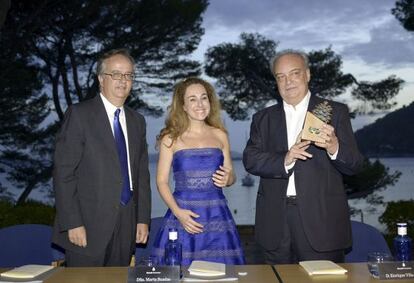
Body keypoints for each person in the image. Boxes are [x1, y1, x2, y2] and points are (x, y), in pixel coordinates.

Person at [243, 49, 364, 264]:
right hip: (274, 223)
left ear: (307, 75)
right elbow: (250, 159)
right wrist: (285, 158)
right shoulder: (263, 118)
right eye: (281, 77)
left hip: (322, 223)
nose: (288, 82)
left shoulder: (334, 112)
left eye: (294, 74)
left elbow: (354, 164)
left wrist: (334, 147)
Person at [52, 48, 151, 267]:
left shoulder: (138, 121)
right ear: (100, 79)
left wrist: (142, 219)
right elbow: (63, 173)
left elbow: (141, 176)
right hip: (86, 227)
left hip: (126, 225)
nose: (122, 80)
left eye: (128, 75)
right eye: (115, 74)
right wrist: (72, 223)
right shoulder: (79, 115)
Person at [151, 77, 245, 265]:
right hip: (183, 216)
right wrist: (178, 213)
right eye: (192, 99)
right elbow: (161, 181)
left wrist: (228, 178)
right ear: (183, 106)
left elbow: (231, 176)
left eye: (204, 98)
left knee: (223, 273)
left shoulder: (220, 134)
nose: (200, 104)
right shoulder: (170, 138)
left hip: (218, 217)